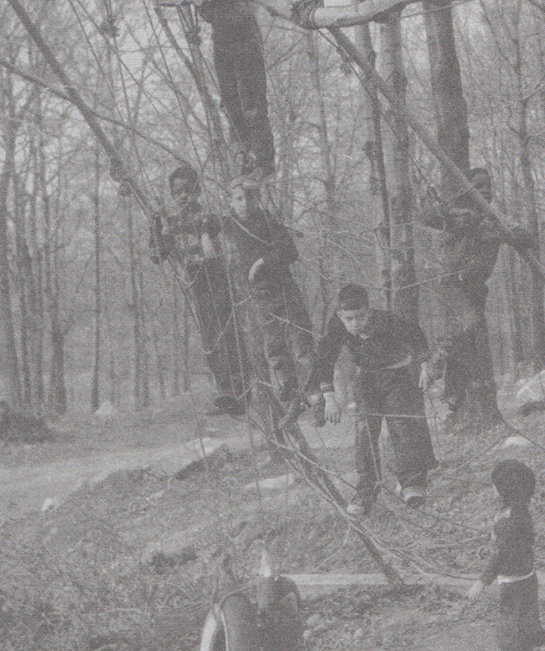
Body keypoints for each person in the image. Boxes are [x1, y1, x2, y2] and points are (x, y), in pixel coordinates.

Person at [169, 0, 285, 179]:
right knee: (230, 102)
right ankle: (241, 155)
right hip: (221, 36)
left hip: (244, 35)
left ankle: (265, 162)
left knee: (252, 103)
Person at [307, 283, 436, 514]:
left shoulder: (387, 321)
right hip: (366, 379)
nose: (355, 324)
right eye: (349, 319)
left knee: (401, 425)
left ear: (369, 311)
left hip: (397, 375)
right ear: (340, 315)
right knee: (365, 431)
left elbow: (415, 334)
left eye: (360, 317)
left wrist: (425, 365)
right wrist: (328, 396)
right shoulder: (337, 326)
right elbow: (325, 358)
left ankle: (411, 483)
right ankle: (367, 490)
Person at [419, 167, 533, 424]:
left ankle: (453, 397)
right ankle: (434, 362)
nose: (485, 191)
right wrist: (453, 213)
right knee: (466, 325)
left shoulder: (495, 221)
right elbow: (426, 216)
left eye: (488, 186)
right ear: (467, 190)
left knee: (468, 339)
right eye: (478, 186)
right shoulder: (457, 215)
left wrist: (517, 235)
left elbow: (524, 237)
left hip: (476, 289)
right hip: (452, 283)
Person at [149, 165, 250, 414]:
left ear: (198, 191)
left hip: (218, 276)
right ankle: (226, 391)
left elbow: (217, 226)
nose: (184, 196)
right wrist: (156, 224)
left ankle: (241, 391)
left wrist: (205, 233)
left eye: (189, 190)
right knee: (210, 337)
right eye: (178, 192)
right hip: (197, 281)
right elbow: (158, 254)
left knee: (227, 332)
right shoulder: (170, 223)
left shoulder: (210, 215)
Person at [223, 180, 314, 435]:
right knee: (274, 351)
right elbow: (200, 223)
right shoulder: (229, 224)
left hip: (283, 290)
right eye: (239, 199)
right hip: (259, 297)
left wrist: (262, 262)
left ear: (257, 200)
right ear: (231, 201)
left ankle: (318, 397)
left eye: (249, 199)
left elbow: (290, 251)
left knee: (300, 345)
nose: (244, 204)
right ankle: (294, 400)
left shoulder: (269, 223)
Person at [468, 459, 545, 651]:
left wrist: (481, 582)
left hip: (514, 582)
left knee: (510, 631)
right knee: (529, 623)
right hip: (526, 577)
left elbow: (501, 556)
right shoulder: (519, 511)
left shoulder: (509, 521)